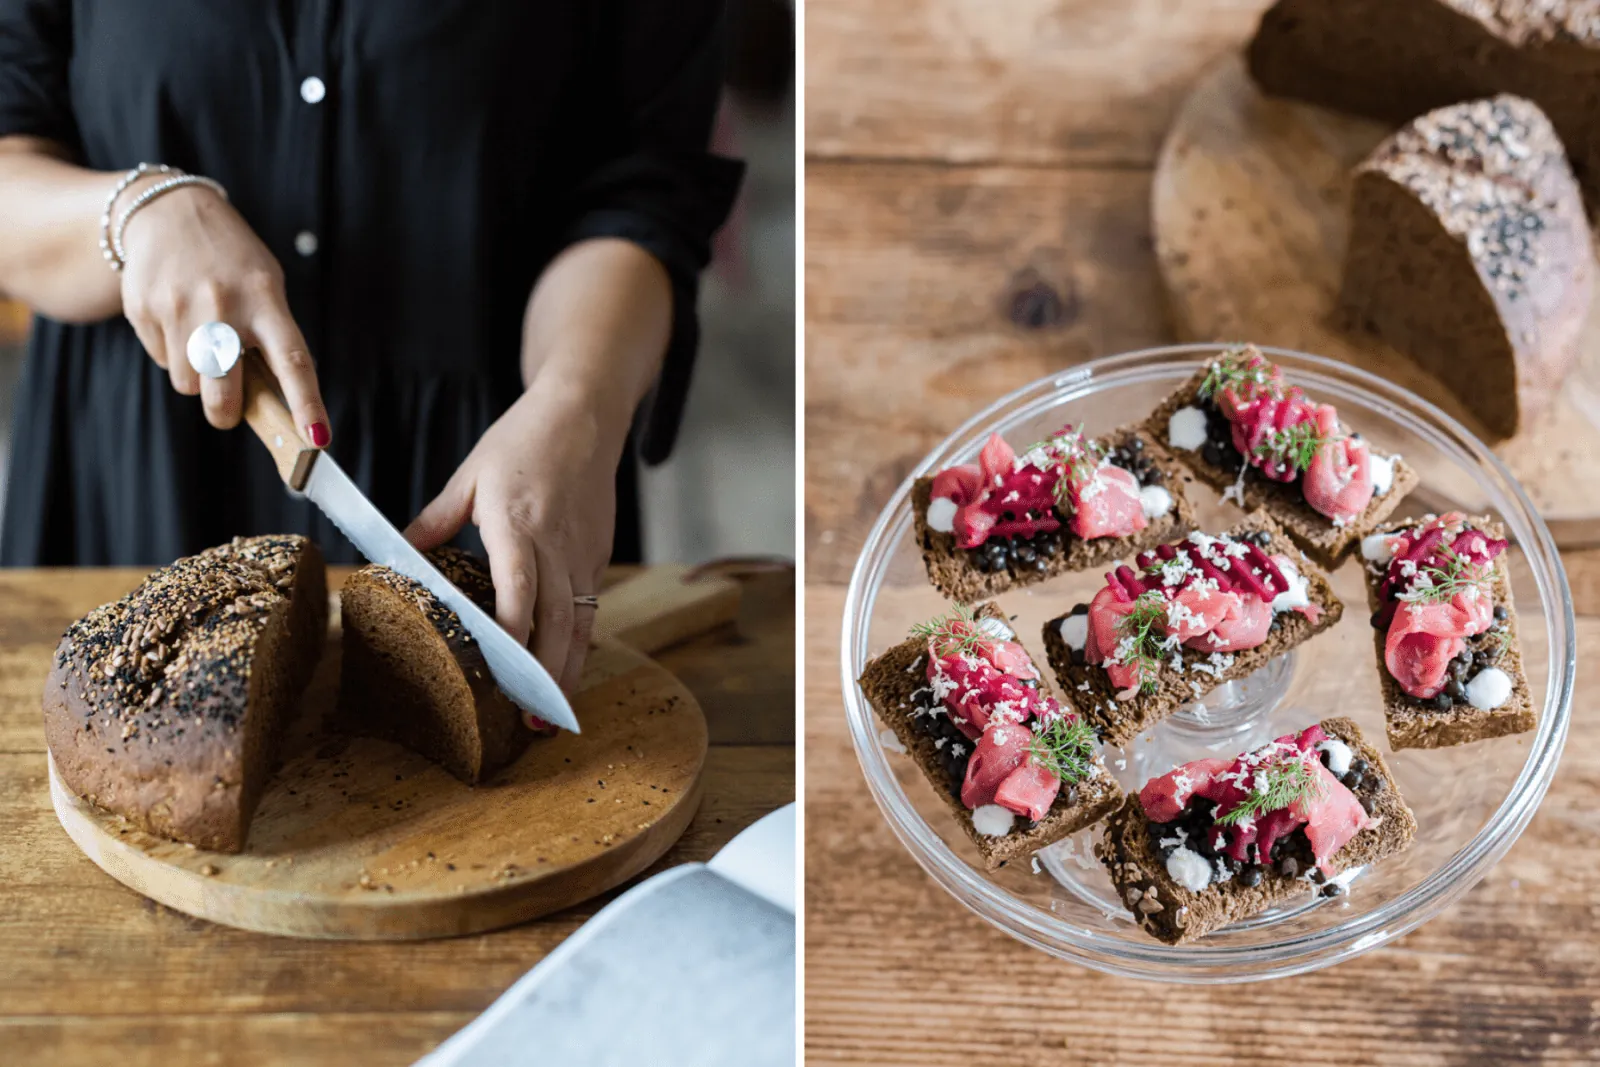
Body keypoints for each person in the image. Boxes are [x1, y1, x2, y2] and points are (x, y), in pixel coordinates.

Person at [0, 2, 742, 693]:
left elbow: (645, 194)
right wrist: (134, 212)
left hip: (494, 470)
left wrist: (577, 399)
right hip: (134, 472)